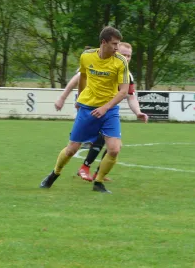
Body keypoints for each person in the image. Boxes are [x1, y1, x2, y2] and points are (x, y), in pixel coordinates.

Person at [40, 26, 130, 194]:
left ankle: (98, 182)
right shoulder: (87, 57)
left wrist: (105, 108)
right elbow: (83, 77)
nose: (117, 48)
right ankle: (54, 173)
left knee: (114, 149)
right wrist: (80, 98)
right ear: (103, 42)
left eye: (118, 44)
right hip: (87, 108)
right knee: (72, 149)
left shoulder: (120, 61)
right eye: (114, 44)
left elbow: (123, 92)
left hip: (109, 110)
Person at [54, 42, 148, 182]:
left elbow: (131, 96)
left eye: (129, 56)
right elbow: (78, 79)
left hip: (107, 112)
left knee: (114, 146)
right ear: (115, 51)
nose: (127, 58)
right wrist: (62, 98)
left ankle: (96, 173)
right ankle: (83, 169)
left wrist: (138, 112)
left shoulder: (126, 74)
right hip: (89, 108)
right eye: (124, 55)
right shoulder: (100, 64)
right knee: (76, 146)